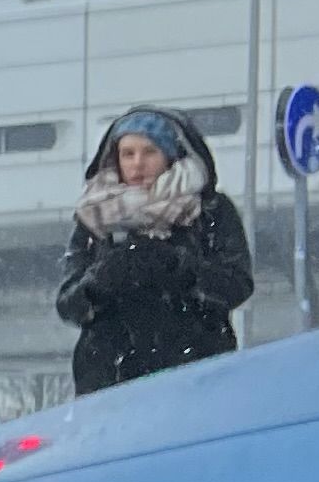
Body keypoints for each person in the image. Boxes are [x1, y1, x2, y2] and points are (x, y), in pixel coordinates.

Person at [55, 107, 258, 395]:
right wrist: (100, 281)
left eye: (149, 152)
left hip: (195, 377)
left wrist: (179, 268)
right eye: (128, 153)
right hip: (109, 382)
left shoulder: (210, 210)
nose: (137, 164)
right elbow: (68, 304)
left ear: (170, 154)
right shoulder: (94, 214)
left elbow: (237, 285)